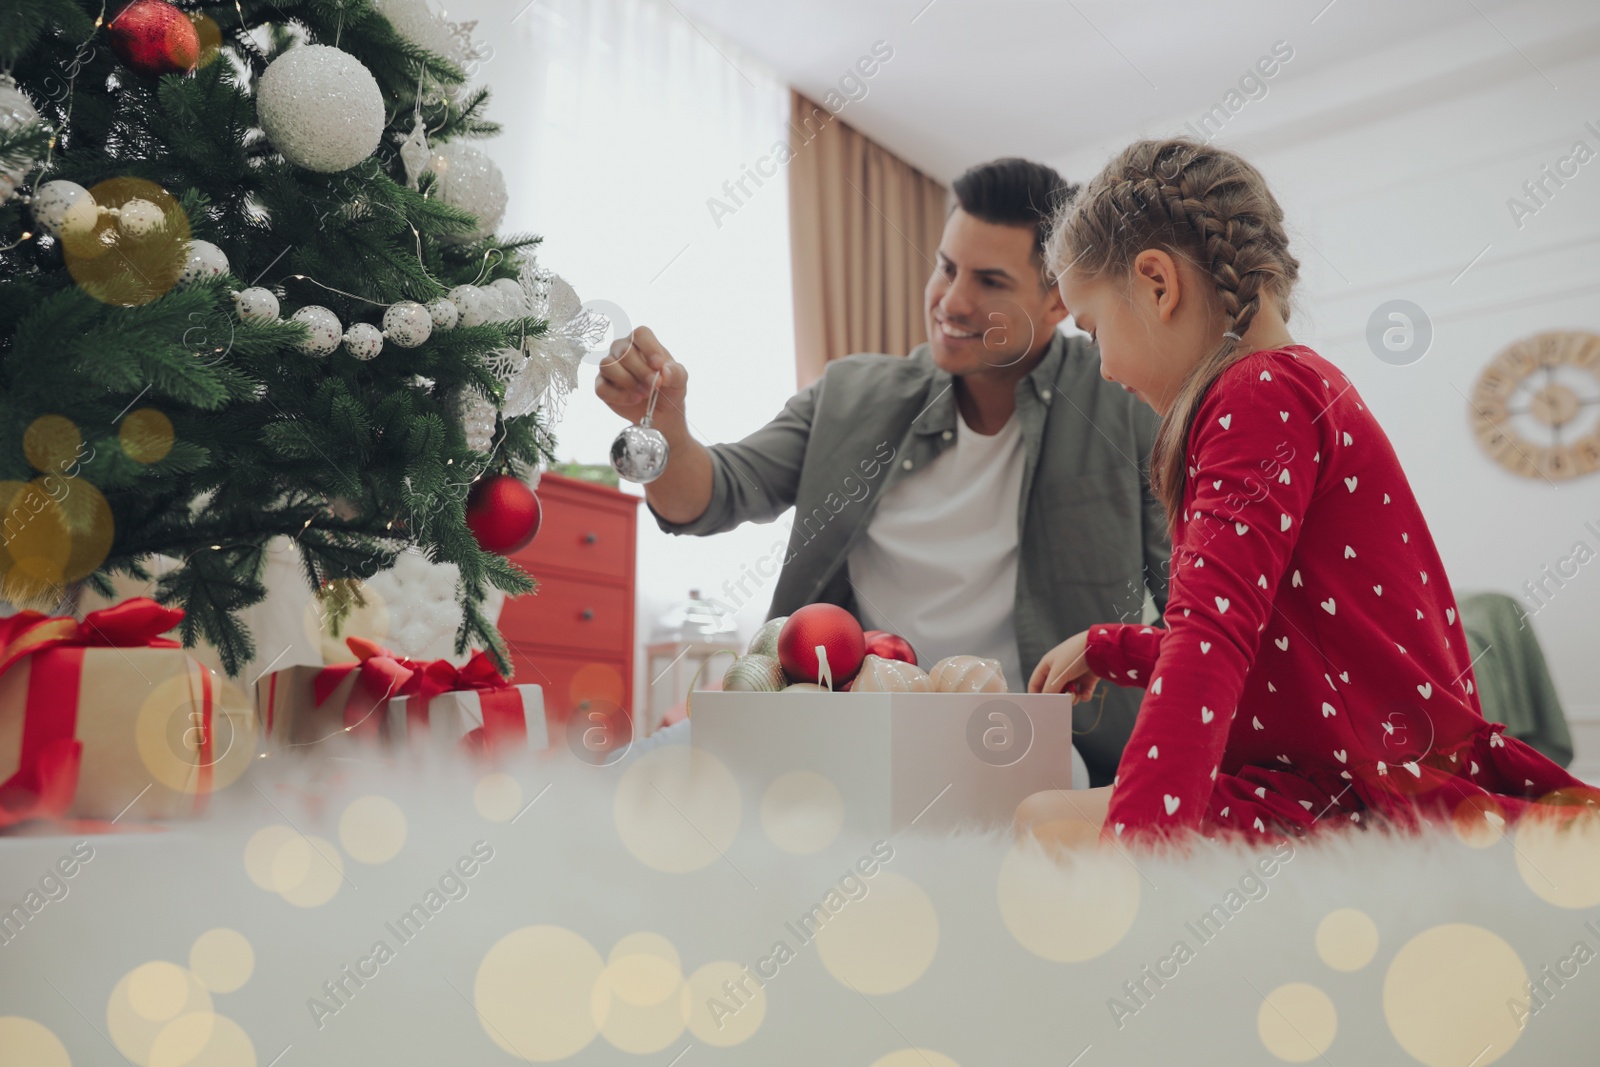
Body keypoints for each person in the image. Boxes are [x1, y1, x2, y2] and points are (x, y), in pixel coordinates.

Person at [1018, 137, 1588, 843]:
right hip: (1360, 768)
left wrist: (1144, 847)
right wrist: (1110, 647)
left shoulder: (1256, 395)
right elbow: (1273, 635)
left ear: (1158, 284)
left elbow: (1212, 636)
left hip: (1351, 790)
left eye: (1093, 327)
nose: (1101, 368)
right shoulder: (1294, 386)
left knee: (1044, 824)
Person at [596, 158, 1170, 785]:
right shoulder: (850, 395)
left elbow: (1190, 602)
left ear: (1057, 299)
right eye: (947, 269)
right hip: (838, 722)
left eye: (990, 282)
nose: (952, 302)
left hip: (1030, 739)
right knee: (621, 782)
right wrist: (669, 427)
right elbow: (710, 496)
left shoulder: (1125, 400)